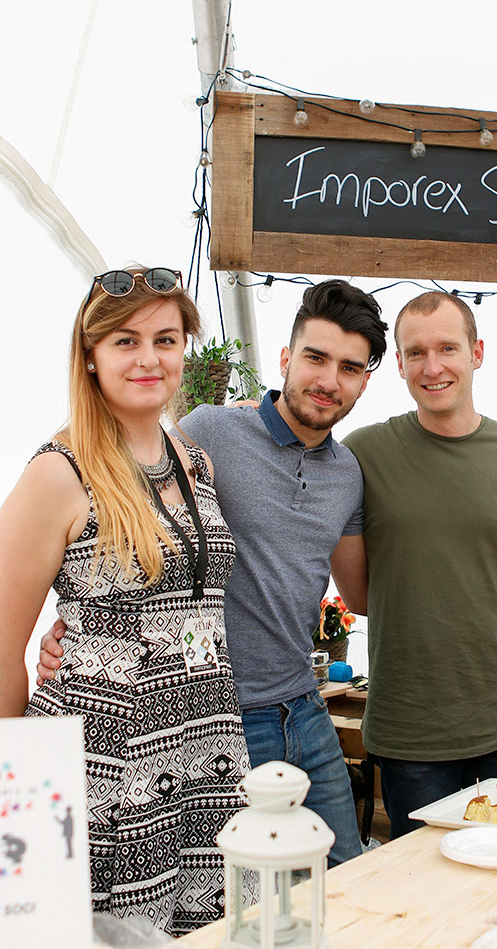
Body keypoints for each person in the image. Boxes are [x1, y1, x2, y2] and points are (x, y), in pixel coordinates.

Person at [38, 279, 389, 867]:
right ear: (285, 358)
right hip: (216, 717)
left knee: (348, 880)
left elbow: (360, 592)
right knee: (236, 897)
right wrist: (72, 626)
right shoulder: (208, 433)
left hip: (305, 708)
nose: (329, 380)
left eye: (349, 368)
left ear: (365, 380)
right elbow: (122, 512)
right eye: (316, 357)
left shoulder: (348, 472)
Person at [0, 268, 253, 934]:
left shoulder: (193, 459)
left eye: (166, 339)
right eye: (125, 341)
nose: (148, 359)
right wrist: (12, 794)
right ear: (90, 354)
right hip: (104, 765)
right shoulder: (58, 472)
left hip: (204, 751)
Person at [342, 291, 497, 839]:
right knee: (425, 899)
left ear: (477, 352)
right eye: (415, 352)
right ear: (398, 364)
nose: (433, 366)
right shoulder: (363, 454)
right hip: (410, 733)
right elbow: (358, 599)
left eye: (448, 347)